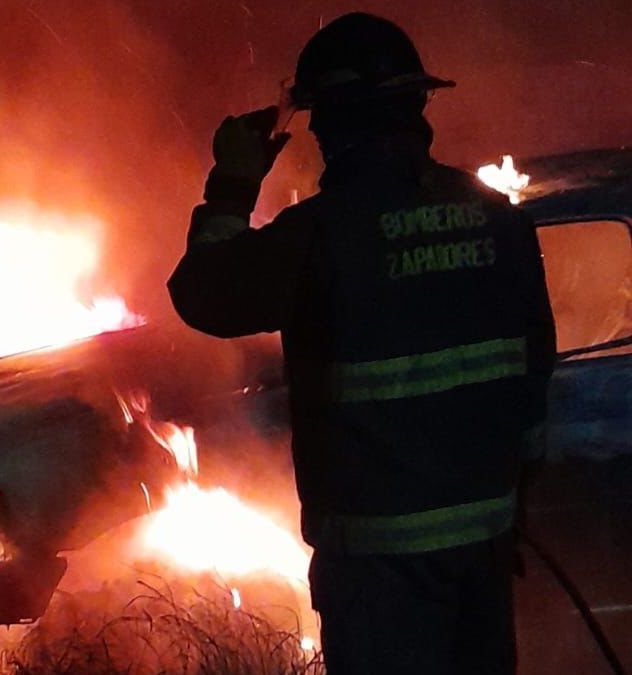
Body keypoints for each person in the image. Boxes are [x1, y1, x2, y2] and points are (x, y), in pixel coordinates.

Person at [167, 13, 555, 674]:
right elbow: (533, 379)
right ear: (416, 106)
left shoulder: (321, 234)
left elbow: (204, 292)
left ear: (337, 122)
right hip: (482, 553)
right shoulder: (502, 221)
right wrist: (508, 507)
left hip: (379, 574)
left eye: (318, 120)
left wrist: (232, 183)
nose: (314, 133)